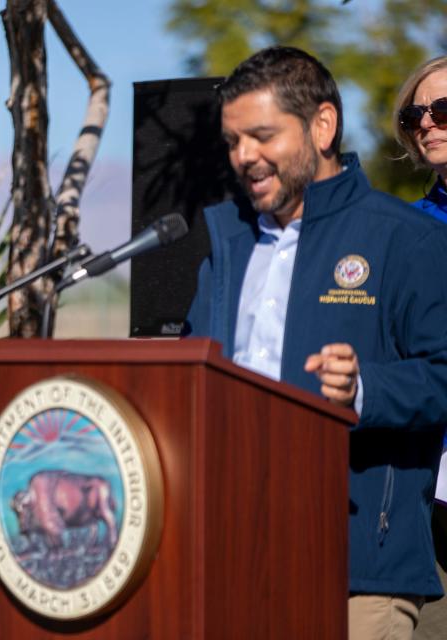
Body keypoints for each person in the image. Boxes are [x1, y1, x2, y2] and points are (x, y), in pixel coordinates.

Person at [184, 46, 447, 639]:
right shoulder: (225, 245)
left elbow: (444, 375)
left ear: (322, 125)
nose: (244, 156)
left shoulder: (406, 240)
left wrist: (366, 388)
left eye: (261, 135)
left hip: (357, 572)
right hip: (229, 559)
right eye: (232, 141)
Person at [393, 56, 447, 636]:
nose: (428, 123)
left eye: (444, 110)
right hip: (426, 501)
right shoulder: (403, 232)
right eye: (416, 114)